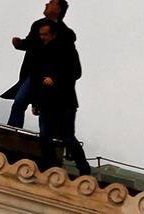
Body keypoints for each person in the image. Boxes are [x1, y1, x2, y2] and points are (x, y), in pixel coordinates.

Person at [27, 19, 91, 175]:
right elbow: (35, 77)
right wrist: (35, 102)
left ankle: (84, 169)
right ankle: (51, 168)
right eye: (40, 34)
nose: (42, 37)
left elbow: (76, 72)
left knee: (68, 138)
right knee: (45, 136)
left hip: (65, 102)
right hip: (46, 102)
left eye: (45, 34)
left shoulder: (67, 49)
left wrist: (56, 79)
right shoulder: (39, 52)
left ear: (53, 35)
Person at [2, 0, 74, 128]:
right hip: (33, 73)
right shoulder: (37, 25)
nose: (47, 4)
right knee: (19, 101)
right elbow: (30, 43)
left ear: (58, 10)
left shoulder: (66, 33)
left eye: (51, 3)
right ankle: (12, 129)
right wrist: (20, 44)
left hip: (51, 76)